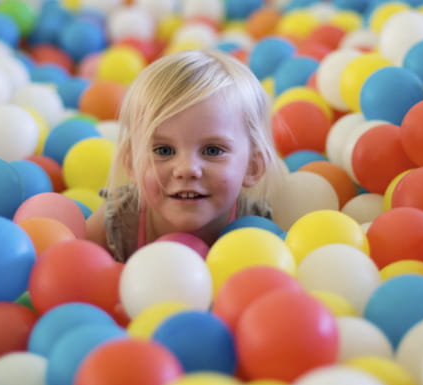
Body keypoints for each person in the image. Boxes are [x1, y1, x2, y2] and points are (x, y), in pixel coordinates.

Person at [85, 48, 288, 262]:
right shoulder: (114, 226)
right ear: (132, 163)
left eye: (212, 150)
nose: (187, 169)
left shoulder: (259, 233)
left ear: (252, 166)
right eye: (163, 150)